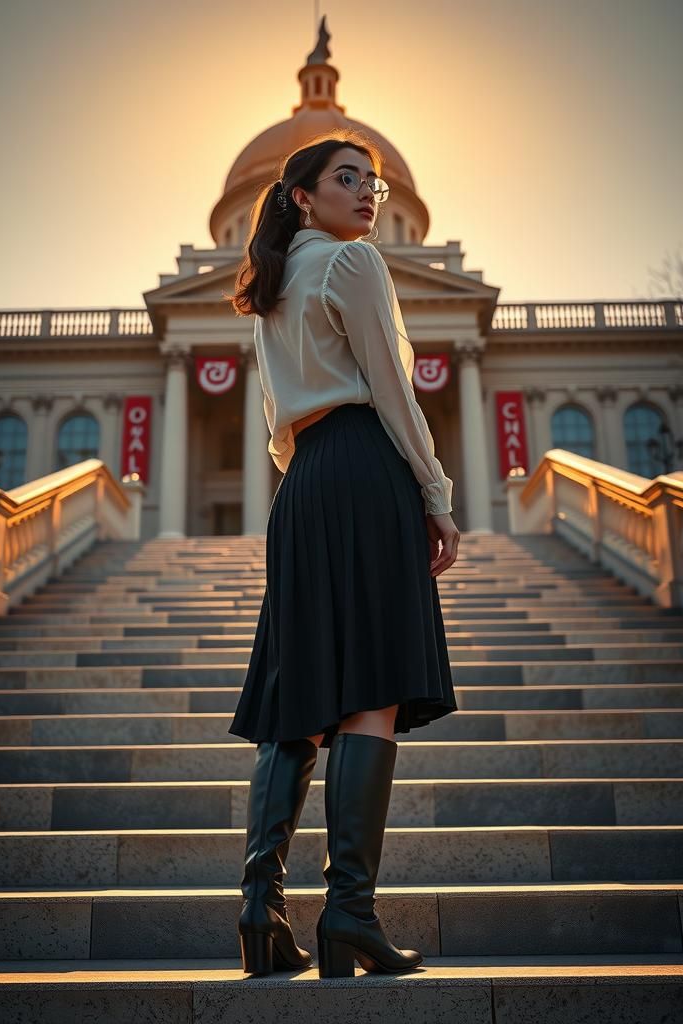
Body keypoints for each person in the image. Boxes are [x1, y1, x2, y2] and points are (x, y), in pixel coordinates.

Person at [225, 129, 461, 979]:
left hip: (304, 486)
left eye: (376, 182)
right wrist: (433, 494)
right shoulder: (354, 265)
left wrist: (309, 490)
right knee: (371, 689)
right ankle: (350, 916)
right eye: (349, 179)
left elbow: (275, 423)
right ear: (302, 195)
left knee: (298, 696)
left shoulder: (273, 287)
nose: (370, 195)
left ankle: (261, 910)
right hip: (365, 469)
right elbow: (393, 391)